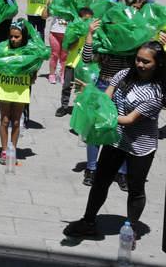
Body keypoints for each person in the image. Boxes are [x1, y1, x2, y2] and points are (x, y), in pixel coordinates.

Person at [63, 42, 164, 241]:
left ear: (158, 64)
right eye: (138, 59)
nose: (140, 64)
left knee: (135, 189)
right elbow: (105, 100)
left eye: (146, 62)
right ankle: (88, 222)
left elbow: (129, 120)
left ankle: (130, 230)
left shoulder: (155, 93)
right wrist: (91, 93)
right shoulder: (123, 74)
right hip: (115, 139)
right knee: (100, 181)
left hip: (139, 147)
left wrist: (106, 116)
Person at [0, 20, 36, 166]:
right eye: (11, 36)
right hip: (5, 87)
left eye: (17, 37)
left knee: (16, 121)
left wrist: (34, 74)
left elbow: (37, 59)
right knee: (4, 120)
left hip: (21, 88)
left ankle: (13, 149)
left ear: (24, 36)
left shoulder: (29, 49)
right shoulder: (2, 48)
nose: (13, 39)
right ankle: (4, 150)